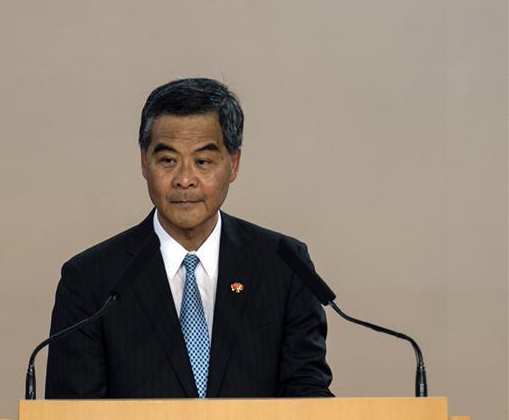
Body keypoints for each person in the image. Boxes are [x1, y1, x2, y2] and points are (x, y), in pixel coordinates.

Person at [45, 78, 333, 399]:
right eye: (168, 161)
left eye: (203, 162)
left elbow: (309, 401)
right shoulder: (90, 281)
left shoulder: (284, 266)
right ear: (144, 163)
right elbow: (70, 417)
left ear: (233, 164)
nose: (184, 180)